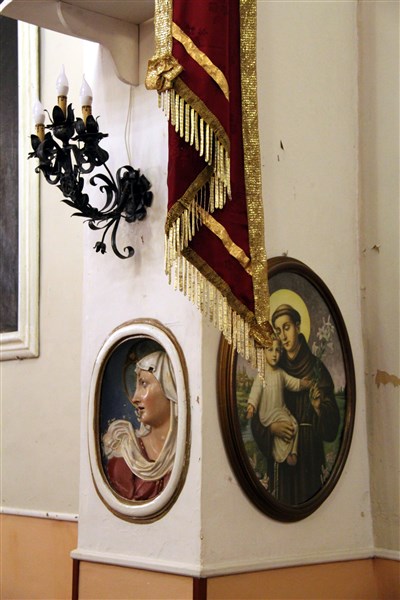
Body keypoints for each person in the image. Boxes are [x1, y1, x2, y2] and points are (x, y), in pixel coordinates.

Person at [251, 304, 340, 505]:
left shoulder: (317, 369)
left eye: (287, 327)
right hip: (280, 452)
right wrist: (271, 428)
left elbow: (333, 426)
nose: (283, 336)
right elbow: (256, 418)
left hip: (309, 455)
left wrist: (318, 408)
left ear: (298, 327)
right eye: (278, 331)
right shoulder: (274, 369)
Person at [102, 350, 177, 501]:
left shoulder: (188, 450)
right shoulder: (125, 452)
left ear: (169, 388)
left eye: (144, 384)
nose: (135, 398)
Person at [246, 337, 311, 467]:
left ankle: (293, 452)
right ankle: (281, 455)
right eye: (270, 350)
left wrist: (302, 384)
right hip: (268, 414)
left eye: (277, 350)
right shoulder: (261, 375)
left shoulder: (281, 373)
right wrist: (251, 405)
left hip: (280, 410)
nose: (275, 354)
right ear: (263, 352)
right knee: (285, 428)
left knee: (294, 425)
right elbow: (255, 391)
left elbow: (292, 383)